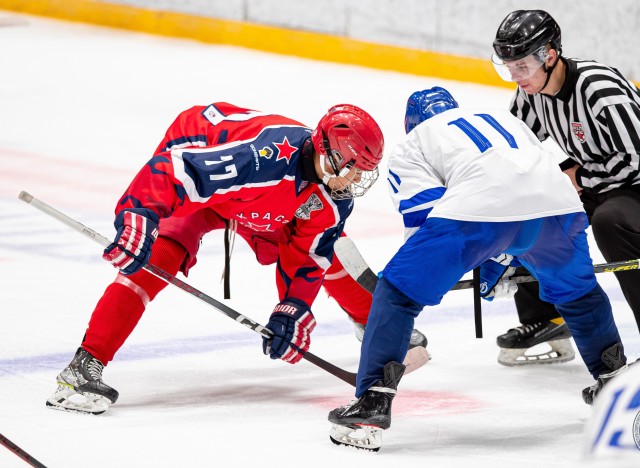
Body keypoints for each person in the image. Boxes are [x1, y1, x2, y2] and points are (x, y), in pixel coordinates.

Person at [46, 102, 427, 415]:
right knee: (159, 255)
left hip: (260, 201)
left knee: (330, 245)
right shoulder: (260, 161)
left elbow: (309, 256)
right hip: (204, 161)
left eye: (363, 173)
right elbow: (174, 171)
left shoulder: (330, 192)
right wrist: (139, 214)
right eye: (353, 170)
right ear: (330, 156)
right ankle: (83, 365)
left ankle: (374, 324)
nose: (355, 182)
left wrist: (292, 309)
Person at [327, 87, 629, 451]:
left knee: (396, 293)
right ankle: (614, 382)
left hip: (483, 213)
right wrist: (501, 258)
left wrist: (475, 260)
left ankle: (370, 406)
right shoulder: (503, 118)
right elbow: (526, 190)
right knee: (578, 293)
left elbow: (425, 221)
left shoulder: (414, 143)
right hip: (560, 208)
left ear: (411, 124)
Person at [488, 9, 640, 366]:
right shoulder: (532, 92)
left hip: (634, 183)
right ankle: (547, 317)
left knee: (610, 221)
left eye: (521, 66)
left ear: (550, 55)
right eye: (508, 67)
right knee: (531, 203)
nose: (515, 76)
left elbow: (637, 158)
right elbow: (514, 145)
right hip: (599, 178)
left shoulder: (599, 89)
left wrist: (580, 178)